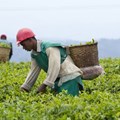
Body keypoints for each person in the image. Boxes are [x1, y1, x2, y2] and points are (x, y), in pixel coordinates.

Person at [16, 28, 84, 96]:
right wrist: (25, 87)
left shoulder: (49, 48)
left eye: (23, 44)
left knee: (68, 102)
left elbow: (55, 67)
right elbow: (33, 72)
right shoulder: (34, 54)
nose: (23, 48)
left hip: (70, 77)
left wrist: (44, 85)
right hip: (58, 80)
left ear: (30, 40)